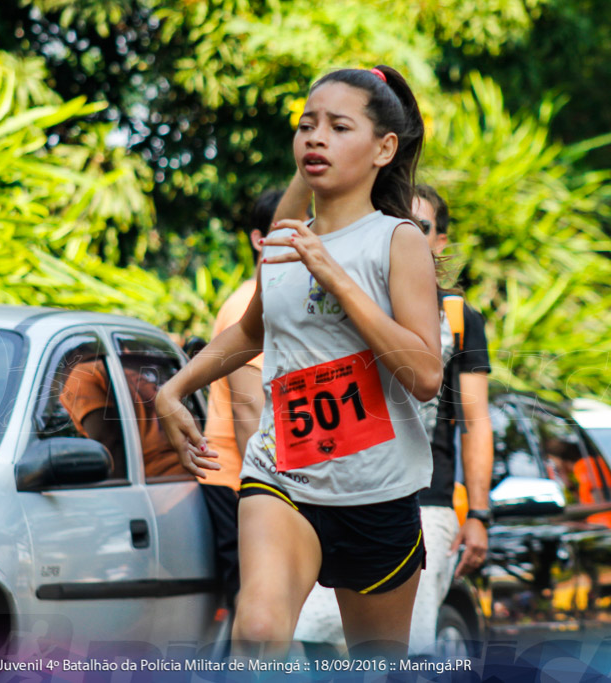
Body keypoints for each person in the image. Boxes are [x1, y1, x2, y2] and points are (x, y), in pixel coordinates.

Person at [156, 65, 440, 660]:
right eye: (307, 125)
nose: (316, 137)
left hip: (377, 493)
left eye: (339, 127)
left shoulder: (398, 240)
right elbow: (247, 334)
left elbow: (424, 374)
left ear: (384, 148)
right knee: (258, 631)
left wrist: (334, 275)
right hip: (282, 477)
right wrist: (172, 391)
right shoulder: (284, 246)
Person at [292, 183, 493, 656]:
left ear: (439, 241)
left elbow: (476, 421)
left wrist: (479, 513)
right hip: (338, 493)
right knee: (311, 631)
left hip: (425, 500)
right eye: (396, 221)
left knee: (402, 648)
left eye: (421, 226)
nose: (407, 233)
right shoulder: (342, 299)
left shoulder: (459, 316)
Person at [199, 189, 284, 607]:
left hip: (253, 481)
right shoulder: (248, 308)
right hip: (238, 481)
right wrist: (271, 494)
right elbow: (249, 413)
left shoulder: (280, 303)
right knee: (256, 607)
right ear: (258, 240)